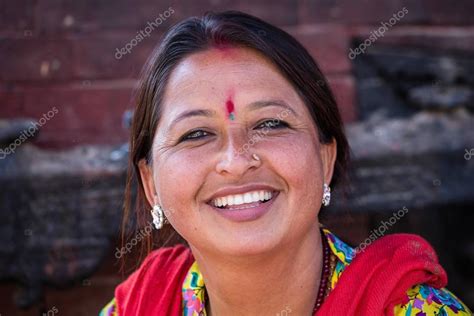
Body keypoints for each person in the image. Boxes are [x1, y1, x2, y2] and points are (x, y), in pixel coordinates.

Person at [100, 11, 471, 316]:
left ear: (326, 158)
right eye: (195, 134)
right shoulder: (137, 306)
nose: (236, 160)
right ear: (150, 184)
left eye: (270, 124)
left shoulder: (413, 311)